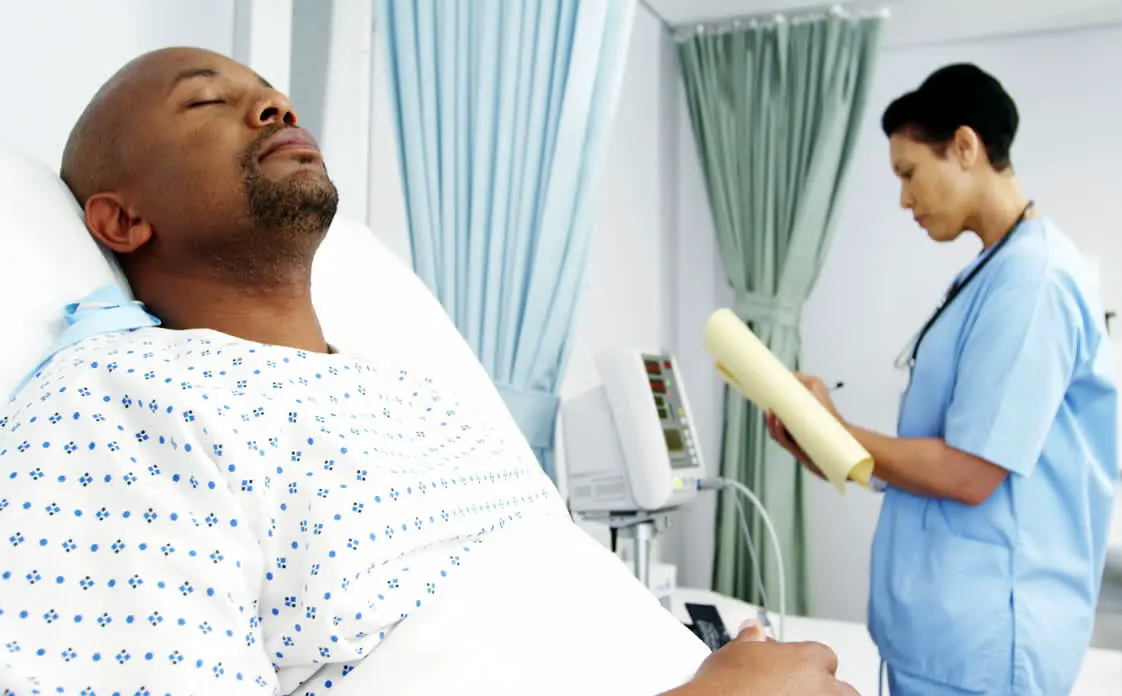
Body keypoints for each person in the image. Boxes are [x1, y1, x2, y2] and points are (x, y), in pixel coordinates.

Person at [0, 47, 858, 696]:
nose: (272, 104)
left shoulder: (413, 389)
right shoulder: (118, 400)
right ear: (120, 220)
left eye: (272, 94)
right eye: (208, 100)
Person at [766, 63, 1118, 695]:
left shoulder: (1032, 281)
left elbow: (969, 473)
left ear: (964, 146)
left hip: (986, 646)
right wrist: (824, 444)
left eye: (908, 174)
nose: (905, 199)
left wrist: (837, 427)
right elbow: (929, 460)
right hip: (943, 634)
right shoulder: (986, 276)